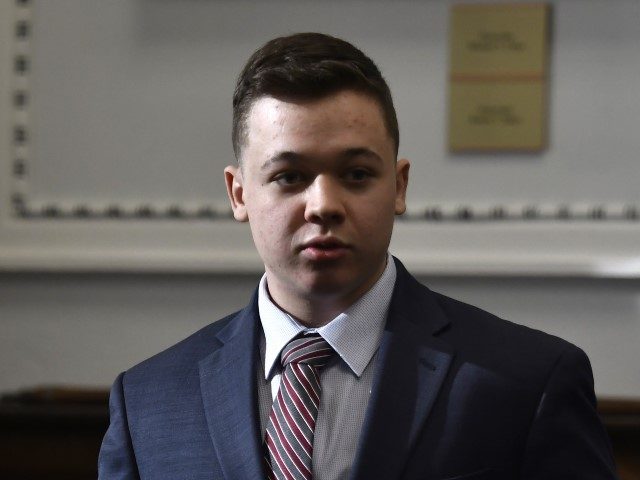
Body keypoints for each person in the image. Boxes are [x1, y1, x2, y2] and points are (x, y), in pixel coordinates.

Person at [99, 33, 618, 480]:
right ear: (239, 194)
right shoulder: (148, 402)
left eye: (356, 175)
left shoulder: (528, 381)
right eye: (289, 177)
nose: (324, 205)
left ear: (399, 185)